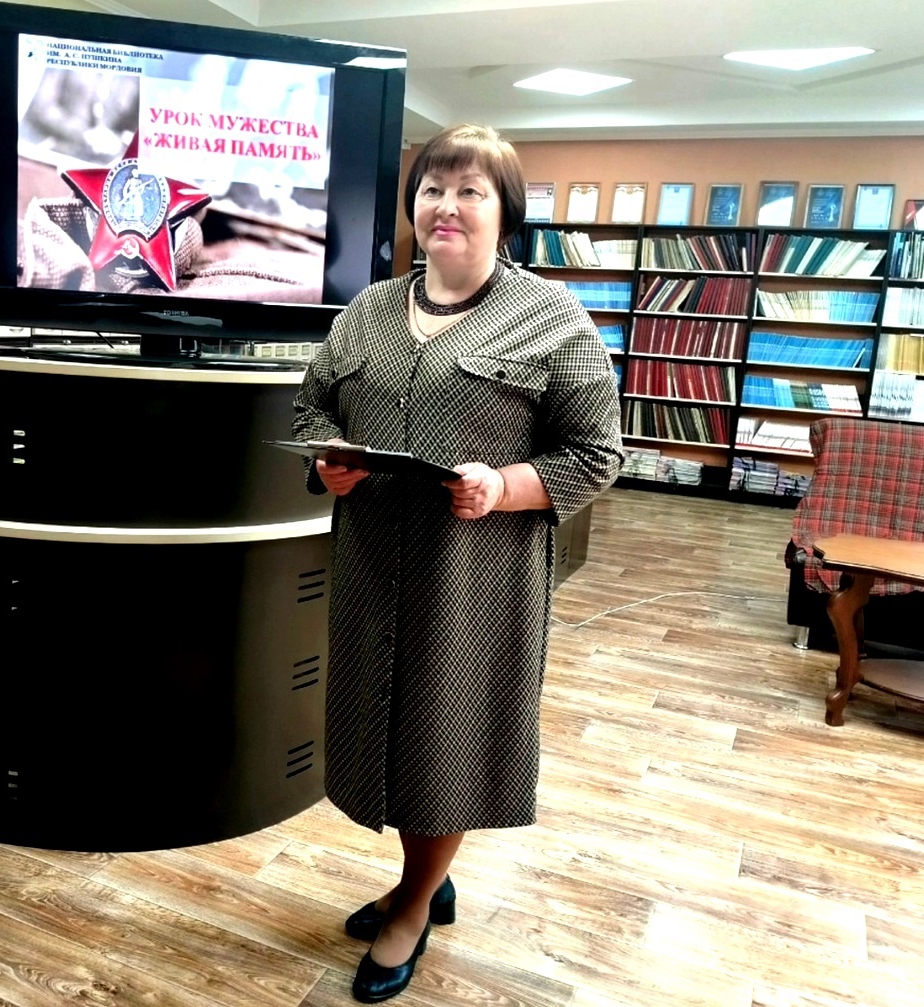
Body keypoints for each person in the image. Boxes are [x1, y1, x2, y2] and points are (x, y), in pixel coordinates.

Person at [291, 123, 623, 1003]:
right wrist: (328, 462)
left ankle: (411, 904)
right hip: (371, 570)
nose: (447, 204)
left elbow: (597, 451)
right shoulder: (366, 311)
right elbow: (313, 406)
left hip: (474, 579)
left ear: (504, 213)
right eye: (433, 188)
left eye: (471, 190)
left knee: (447, 736)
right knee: (381, 728)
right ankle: (425, 879)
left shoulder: (552, 318)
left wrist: (505, 485)